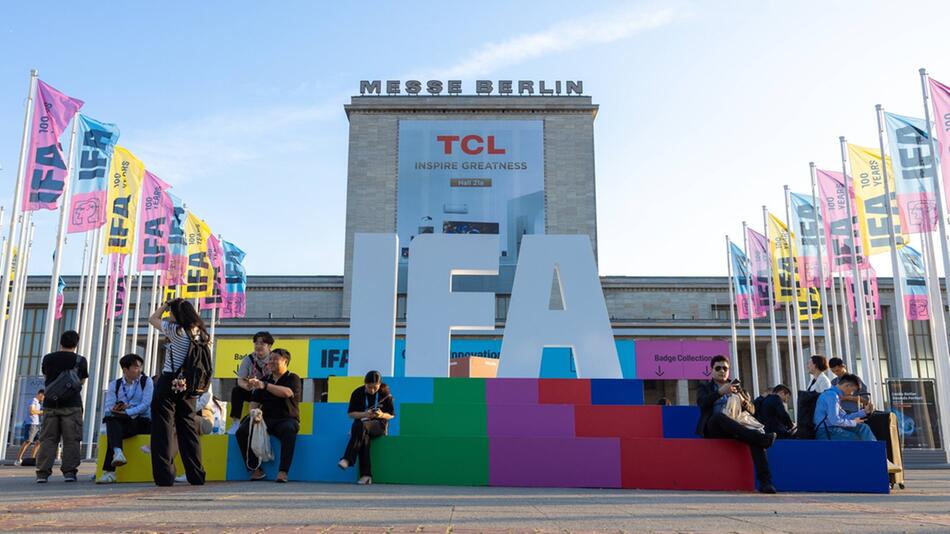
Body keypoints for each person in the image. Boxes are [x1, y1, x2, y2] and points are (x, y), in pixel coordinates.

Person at [148, 298, 209, 486]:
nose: (169, 315)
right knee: (187, 428)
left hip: (170, 381)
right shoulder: (200, 334)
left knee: (163, 428)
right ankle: (196, 475)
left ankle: (165, 476)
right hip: (190, 385)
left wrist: (166, 305)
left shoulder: (177, 330)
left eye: (172, 312)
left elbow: (152, 319)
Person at [696, 355, 777, 494]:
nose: (722, 371)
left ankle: (766, 483)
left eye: (725, 368)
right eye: (718, 368)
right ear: (711, 370)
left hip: (737, 427)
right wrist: (720, 392)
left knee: (755, 438)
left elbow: (752, 410)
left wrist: (741, 398)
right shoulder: (705, 387)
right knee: (719, 417)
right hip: (715, 428)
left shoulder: (738, 388)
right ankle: (760, 439)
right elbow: (702, 403)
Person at [236, 348, 302, 483]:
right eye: (270, 359)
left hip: (286, 419)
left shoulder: (292, 378)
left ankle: (283, 472)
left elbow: (287, 393)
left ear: (285, 361)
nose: (271, 362)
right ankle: (255, 469)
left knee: (289, 430)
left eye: (275, 359)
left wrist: (265, 386)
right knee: (242, 431)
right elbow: (254, 403)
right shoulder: (264, 379)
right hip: (265, 419)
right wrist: (254, 415)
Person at [36, 331, 88, 483]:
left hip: (50, 404)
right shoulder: (80, 360)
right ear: (76, 344)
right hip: (72, 405)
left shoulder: (48, 358)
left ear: (61, 342)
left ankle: (42, 473)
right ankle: (69, 473)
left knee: (48, 439)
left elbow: (46, 379)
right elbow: (82, 381)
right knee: (72, 439)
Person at [97, 354, 154, 484]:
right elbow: (108, 407)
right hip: (122, 420)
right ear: (125, 369)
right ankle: (118, 453)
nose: (139, 370)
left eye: (140, 367)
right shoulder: (114, 385)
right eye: (135, 367)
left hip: (142, 421)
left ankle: (110, 471)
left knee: (113, 430)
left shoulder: (146, 381)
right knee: (110, 419)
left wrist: (127, 411)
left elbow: (145, 405)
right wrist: (117, 409)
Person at [337, 370, 395, 485]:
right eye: (369, 387)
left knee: (360, 427)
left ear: (380, 384)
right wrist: (365, 414)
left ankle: (348, 459)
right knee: (363, 437)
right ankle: (366, 476)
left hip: (379, 425)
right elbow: (351, 414)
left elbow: (392, 415)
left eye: (375, 387)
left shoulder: (385, 392)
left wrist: (381, 415)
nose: (372, 391)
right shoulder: (357, 393)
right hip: (362, 424)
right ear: (365, 384)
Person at [229, 331, 274, 430]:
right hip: (252, 390)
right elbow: (240, 380)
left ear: (269, 346)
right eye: (256, 343)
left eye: (262, 343)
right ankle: (236, 423)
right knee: (236, 391)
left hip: (268, 391)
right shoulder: (248, 359)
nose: (258, 346)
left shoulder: (274, 359)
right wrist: (247, 386)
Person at [814, 373, 877, 441]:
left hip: (832, 428)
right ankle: (872, 449)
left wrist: (864, 412)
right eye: (852, 390)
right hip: (825, 431)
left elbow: (843, 417)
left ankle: (874, 449)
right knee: (855, 438)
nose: (851, 394)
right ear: (847, 385)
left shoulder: (834, 395)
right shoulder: (832, 396)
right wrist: (853, 422)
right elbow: (834, 420)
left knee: (863, 427)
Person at [15, 389, 44, 466]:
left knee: (39, 442)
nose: (44, 398)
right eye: (44, 396)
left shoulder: (38, 403)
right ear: (40, 394)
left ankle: (32, 459)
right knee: (28, 441)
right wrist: (42, 412)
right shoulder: (33, 400)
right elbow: (32, 411)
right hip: (31, 424)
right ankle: (18, 459)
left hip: (37, 424)